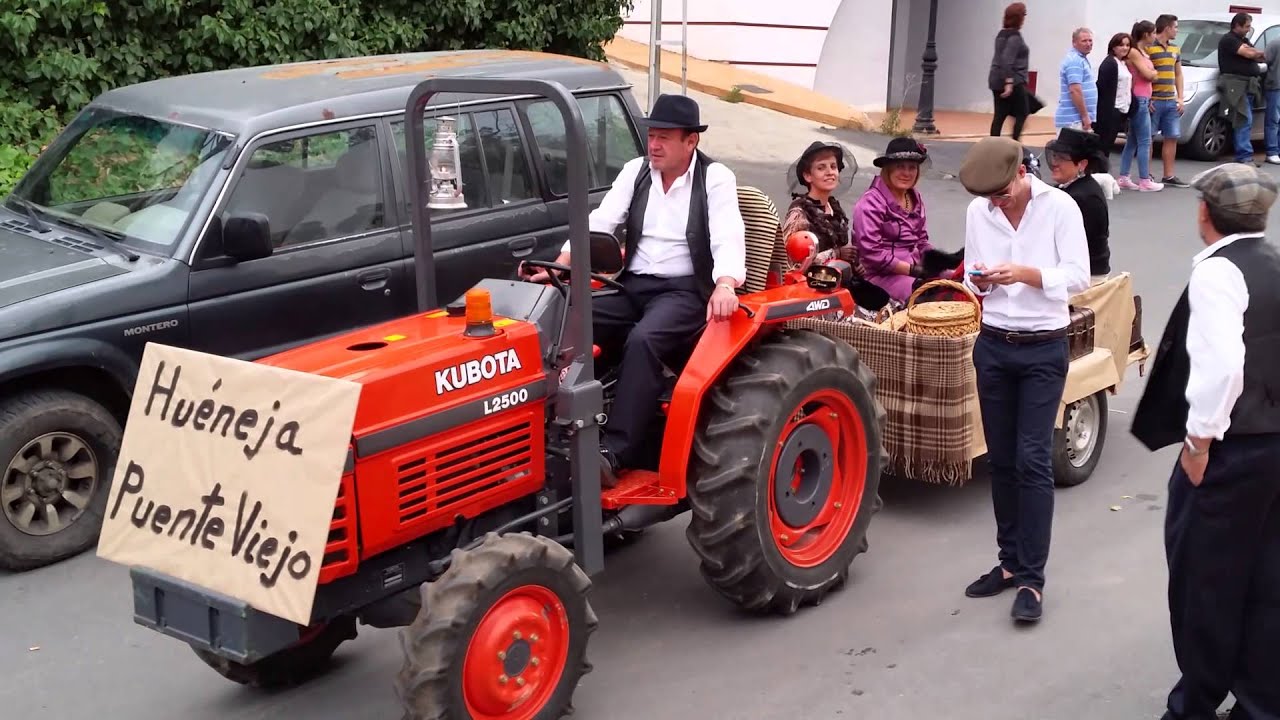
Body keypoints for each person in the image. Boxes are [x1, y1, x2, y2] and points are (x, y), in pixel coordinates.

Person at [525, 93, 746, 485]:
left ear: (690, 141)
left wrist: (726, 283)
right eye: (651, 136)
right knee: (567, 313)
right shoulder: (636, 171)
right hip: (633, 284)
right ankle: (546, 423)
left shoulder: (715, 178)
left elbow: (728, 236)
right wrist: (561, 267)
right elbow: (601, 221)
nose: (654, 145)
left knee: (643, 340)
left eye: (663, 137)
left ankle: (615, 450)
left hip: (684, 292)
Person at [1130, 163, 1280, 720]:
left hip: (1231, 450)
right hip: (1273, 447)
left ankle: (1194, 705)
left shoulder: (1219, 273)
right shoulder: (1272, 262)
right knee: (1266, 579)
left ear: (1204, 213)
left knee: (1204, 584)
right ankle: (1261, 702)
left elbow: (1221, 370)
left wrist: (1198, 444)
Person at [956, 136, 1091, 624]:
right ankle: (1009, 563)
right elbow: (972, 276)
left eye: (1002, 194)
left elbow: (1080, 277)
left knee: (1033, 459)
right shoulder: (980, 212)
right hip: (993, 343)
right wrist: (983, 279)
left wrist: (1025, 274)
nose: (996, 204)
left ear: (1020, 174)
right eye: (988, 198)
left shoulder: (1060, 208)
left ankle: (1032, 579)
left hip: (1042, 347)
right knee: (1002, 459)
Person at [781, 141, 890, 310]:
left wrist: (854, 265)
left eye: (833, 166)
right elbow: (790, 266)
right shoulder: (799, 213)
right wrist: (837, 254)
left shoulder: (834, 208)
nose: (830, 172)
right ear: (808, 176)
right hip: (813, 294)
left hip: (840, 284)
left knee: (888, 305)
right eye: (821, 167)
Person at [851, 137, 951, 305]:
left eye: (912, 167)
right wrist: (914, 271)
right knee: (930, 300)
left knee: (955, 285)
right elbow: (872, 254)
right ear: (888, 169)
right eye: (900, 166)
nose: (907, 173)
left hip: (914, 271)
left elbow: (921, 241)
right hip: (880, 275)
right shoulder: (870, 203)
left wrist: (939, 265)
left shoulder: (914, 197)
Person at [1044, 128, 1111, 284]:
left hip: (1086, 277)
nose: (1055, 163)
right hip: (1074, 269)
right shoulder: (1073, 187)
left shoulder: (1084, 197)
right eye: (1055, 156)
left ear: (1082, 164)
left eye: (1062, 158)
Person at [1118, 21, 1163, 192]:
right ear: (1145, 34)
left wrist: (1152, 75)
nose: (1154, 36)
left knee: (1133, 141)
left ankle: (1123, 176)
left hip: (1144, 98)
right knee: (1145, 140)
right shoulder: (1135, 53)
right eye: (1153, 33)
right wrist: (1154, 74)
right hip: (1139, 99)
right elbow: (1147, 74)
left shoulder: (1143, 52)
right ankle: (1144, 179)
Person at [1148, 14, 1190, 188]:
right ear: (1167, 28)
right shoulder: (1150, 48)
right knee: (1148, 138)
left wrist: (1180, 98)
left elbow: (1178, 74)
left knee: (1171, 137)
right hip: (1154, 100)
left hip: (1170, 100)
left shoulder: (1175, 49)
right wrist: (1148, 97)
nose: (1177, 31)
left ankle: (1169, 175)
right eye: (1175, 27)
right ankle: (1146, 174)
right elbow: (1144, 74)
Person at [1218, 12, 1266, 165]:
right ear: (1237, 25)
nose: (1248, 29)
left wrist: (1255, 53)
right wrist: (1254, 52)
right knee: (1243, 118)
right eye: (1246, 26)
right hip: (1235, 85)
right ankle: (1244, 155)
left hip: (1247, 85)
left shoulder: (1243, 40)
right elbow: (1247, 53)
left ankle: (1244, 153)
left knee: (1246, 119)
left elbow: (1258, 57)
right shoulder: (1229, 40)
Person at [989, 3, 1032, 140]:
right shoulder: (1015, 37)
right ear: (1019, 17)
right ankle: (1014, 144)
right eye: (1024, 15)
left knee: (1000, 114)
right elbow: (1007, 60)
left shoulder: (1001, 35)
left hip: (996, 80)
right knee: (1023, 112)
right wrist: (1008, 82)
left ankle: (993, 145)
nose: (1025, 18)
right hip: (1014, 80)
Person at [1094, 32, 1132, 154]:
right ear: (1113, 47)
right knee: (1103, 146)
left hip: (1121, 110)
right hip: (1110, 112)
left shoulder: (1122, 63)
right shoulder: (1110, 63)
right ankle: (1098, 171)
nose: (1125, 48)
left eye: (1127, 45)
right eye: (1121, 45)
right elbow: (1103, 88)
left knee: (1107, 145)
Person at [1054, 27, 1097, 131]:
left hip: (1076, 119)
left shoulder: (1080, 59)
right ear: (1074, 43)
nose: (1088, 44)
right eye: (1084, 41)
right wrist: (1085, 116)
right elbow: (1075, 90)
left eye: (1090, 40)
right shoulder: (1075, 61)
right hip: (1073, 120)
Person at [1265, 21, 1280, 164]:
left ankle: (1275, 151)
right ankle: (1272, 151)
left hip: (1276, 85)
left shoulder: (1274, 43)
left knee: (1274, 120)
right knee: (1273, 120)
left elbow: (1265, 61)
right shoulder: (1276, 43)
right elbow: (1264, 60)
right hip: (1275, 86)